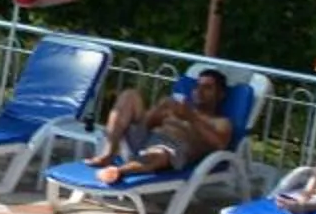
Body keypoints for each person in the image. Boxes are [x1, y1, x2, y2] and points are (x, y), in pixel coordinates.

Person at [90, 69, 234, 185]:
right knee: (130, 95)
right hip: (146, 139)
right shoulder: (180, 108)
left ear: (220, 94)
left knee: (159, 153)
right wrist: (157, 110)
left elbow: (220, 144)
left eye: (207, 88)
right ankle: (108, 153)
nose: (199, 91)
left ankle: (118, 171)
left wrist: (191, 117)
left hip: (170, 148)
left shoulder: (220, 122)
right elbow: (147, 124)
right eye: (198, 86)